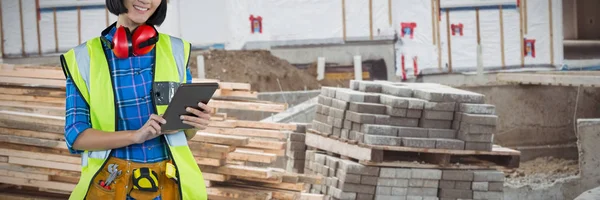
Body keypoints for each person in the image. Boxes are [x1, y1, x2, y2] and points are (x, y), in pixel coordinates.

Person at [60, 0, 209, 199]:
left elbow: (184, 133)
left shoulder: (176, 50)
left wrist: (194, 123)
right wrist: (135, 136)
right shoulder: (82, 59)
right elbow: (75, 136)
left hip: (171, 185)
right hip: (111, 184)